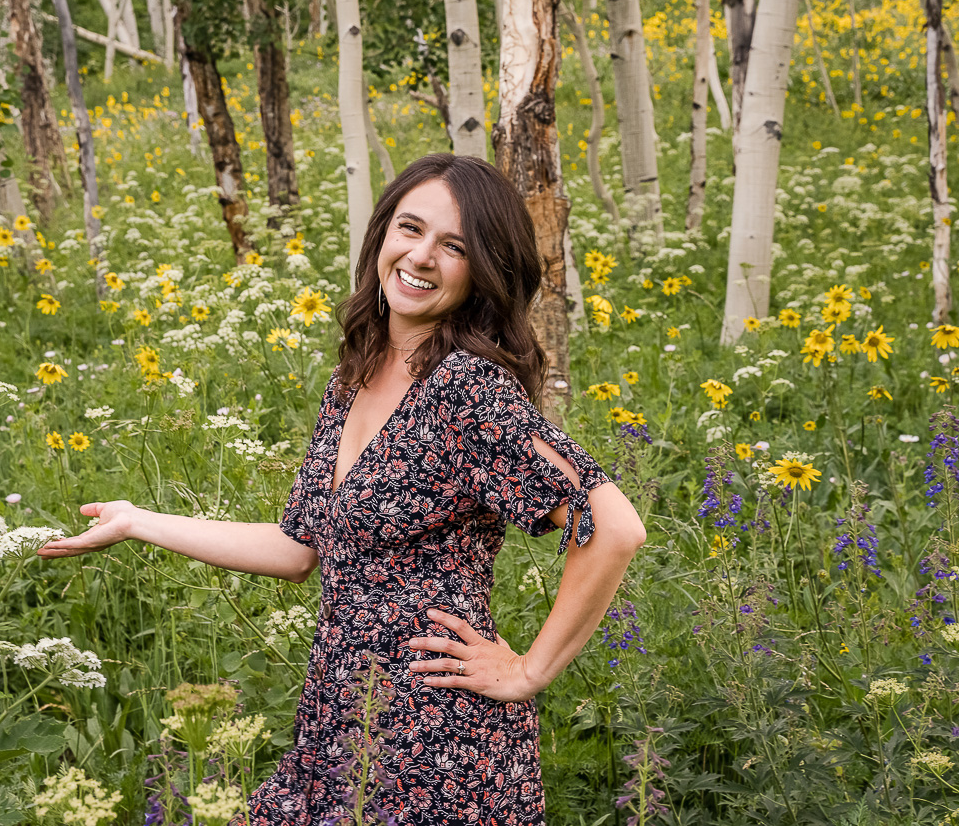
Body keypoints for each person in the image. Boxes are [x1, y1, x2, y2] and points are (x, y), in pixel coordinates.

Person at [37, 153, 646, 823]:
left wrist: (529, 670)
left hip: (434, 741)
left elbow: (613, 527)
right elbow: (299, 547)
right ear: (382, 235)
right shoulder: (355, 377)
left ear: (483, 272)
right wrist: (137, 521)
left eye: (454, 246)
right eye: (409, 229)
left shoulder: (466, 392)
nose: (421, 256)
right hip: (338, 722)